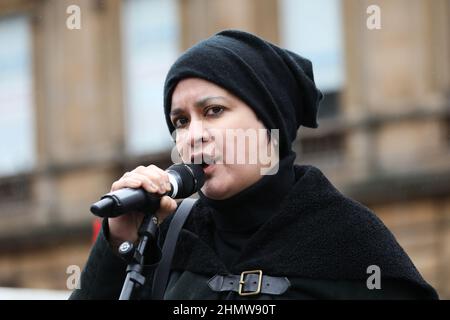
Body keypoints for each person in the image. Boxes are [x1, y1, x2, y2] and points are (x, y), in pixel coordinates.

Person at [70, 30, 438, 300]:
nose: (193, 135)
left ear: (269, 123)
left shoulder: (353, 241)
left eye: (213, 111)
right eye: (180, 121)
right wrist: (118, 243)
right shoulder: (166, 238)